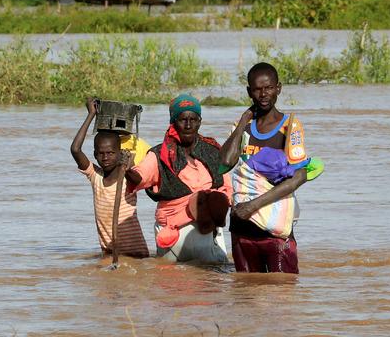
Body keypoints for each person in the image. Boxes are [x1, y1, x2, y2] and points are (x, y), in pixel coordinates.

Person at [220, 62, 309, 274]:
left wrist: (253, 205)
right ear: (249, 92)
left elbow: (298, 177)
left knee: (281, 295)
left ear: (278, 88)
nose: (263, 94)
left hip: (275, 231)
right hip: (241, 228)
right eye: (257, 89)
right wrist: (243, 122)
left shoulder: (290, 126)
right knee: (245, 296)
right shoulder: (243, 127)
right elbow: (225, 163)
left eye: (268, 88)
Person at [124, 94, 231, 263]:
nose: (188, 125)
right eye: (182, 120)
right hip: (171, 231)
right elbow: (140, 176)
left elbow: (227, 188)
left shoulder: (213, 150)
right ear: (173, 122)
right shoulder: (159, 155)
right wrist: (127, 170)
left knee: (215, 281)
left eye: (193, 119)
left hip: (208, 228)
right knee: (172, 283)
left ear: (199, 121)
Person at [71, 98, 150, 258]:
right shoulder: (96, 177)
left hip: (136, 255)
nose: (105, 157)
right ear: (95, 155)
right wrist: (91, 115)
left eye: (111, 153)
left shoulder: (128, 178)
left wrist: (128, 168)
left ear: (120, 154)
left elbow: (139, 178)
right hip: (109, 253)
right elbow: (75, 149)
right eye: (101, 153)